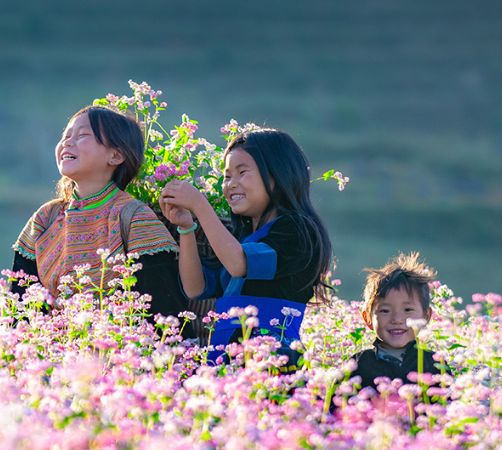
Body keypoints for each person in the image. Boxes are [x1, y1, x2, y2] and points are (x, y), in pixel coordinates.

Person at [159, 129, 332, 366]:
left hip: (271, 358)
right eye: (227, 176)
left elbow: (239, 264)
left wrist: (200, 205)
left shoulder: (298, 230)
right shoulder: (243, 240)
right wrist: (187, 228)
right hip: (225, 354)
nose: (231, 184)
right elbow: (195, 288)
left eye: (242, 173)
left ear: (277, 175)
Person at [10, 105, 186, 320]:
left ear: (116, 155)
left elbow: (161, 310)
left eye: (83, 135)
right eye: (65, 136)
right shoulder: (45, 218)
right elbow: (20, 308)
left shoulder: (136, 218)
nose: (67, 142)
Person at [350, 252, 440, 390]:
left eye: (408, 310)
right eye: (385, 311)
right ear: (367, 318)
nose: (397, 320)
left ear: (426, 316)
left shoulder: (434, 364)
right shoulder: (358, 364)